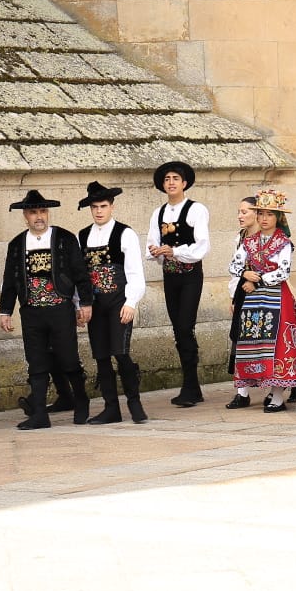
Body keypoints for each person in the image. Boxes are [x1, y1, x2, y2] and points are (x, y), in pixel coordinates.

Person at [0, 189, 93, 429]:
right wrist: (5, 310)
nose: (38, 216)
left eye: (42, 211)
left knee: (68, 358)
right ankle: (39, 414)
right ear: (25, 216)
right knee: (36, 361)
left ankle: (81, 400)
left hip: (60, 309)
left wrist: (85, 304)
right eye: (33, 212)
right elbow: (10, 280)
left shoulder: (65, 238)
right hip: (31, 311)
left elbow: (81, 275)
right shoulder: (17, 244)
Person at [227, 189, 296, 412]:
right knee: (255, 344)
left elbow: (283, 272)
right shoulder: (248, 242)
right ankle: (258, 389)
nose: (264, 218)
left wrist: (257, 279)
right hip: (253, 301)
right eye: (260, 213)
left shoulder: (284, 243)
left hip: (277, 300)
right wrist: (245, 274)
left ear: (278, 218)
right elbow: (233, 265)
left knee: (279, 346)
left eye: (269, 214)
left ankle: (278, 396)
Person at [77, 181, 148, 424]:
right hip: (96, 305)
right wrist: (81, 304)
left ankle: (134, 403)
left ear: (112, 206)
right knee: (101, 356)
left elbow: (135, 272)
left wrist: (131, 302)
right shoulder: (83, 235)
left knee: (121, 353)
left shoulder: (124, 233)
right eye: (94, 207)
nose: (99, 211)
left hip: (119, 302)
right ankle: (111, 408)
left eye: (103, 206)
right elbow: (81, 276)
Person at [146, 161, 211, 408]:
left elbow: (201, 246)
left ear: (184, 183)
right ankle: (190, 386)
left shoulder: (196, 210)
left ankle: (191, 385)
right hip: (170, 276)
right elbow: (152, 244)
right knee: (177, 328)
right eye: (167, 179)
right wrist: (157, 250)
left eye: (175, 178)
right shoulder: (158, 212)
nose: (171, 182)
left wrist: (175, 251)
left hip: (190, 275)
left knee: (186, 326)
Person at [226, 196, 261, 386]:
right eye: (239, 212)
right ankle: (242, 390)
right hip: (243, 293)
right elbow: (234, 268)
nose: (240, 216)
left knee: (271, 339)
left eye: (244, 212)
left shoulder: (270, 237)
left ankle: (292, 384)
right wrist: (233, 296)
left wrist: (256, 282)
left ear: (256, 213)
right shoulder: (239, 237)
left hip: (265, 294)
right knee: (240, 337)